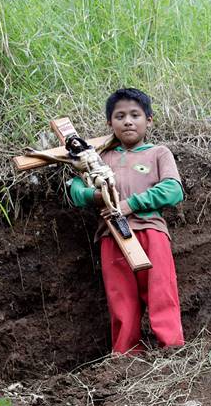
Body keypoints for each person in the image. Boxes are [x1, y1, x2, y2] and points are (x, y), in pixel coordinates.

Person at [69, 88, 185, 356]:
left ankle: (173, 350)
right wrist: (96, 196)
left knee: (161, 291)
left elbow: (173, 190)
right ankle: (125, 356)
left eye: (135, 115)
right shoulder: (97, 158)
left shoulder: (158, 153)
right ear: (110, 123)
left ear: (149, 120)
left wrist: (128, 205)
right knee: (120, 297)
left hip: (151, 232)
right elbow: (74, 190)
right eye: (119, 116)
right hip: (111, 236)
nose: (128, 121)